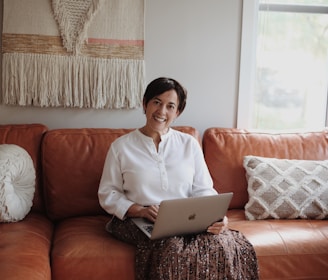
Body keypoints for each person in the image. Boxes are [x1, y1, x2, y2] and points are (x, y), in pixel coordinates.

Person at [98, 77, 258, 279]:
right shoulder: (121, 147)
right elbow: (108, 193)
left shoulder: (188, 144)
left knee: (221, 244)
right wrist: (140, 210)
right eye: (156, 102)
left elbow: (204, 189)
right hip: (137, 219)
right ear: (144, 103)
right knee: (172, 247)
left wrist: (216, 217)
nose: (161, 111)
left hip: (185, 219)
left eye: (170, 106)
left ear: (177, 112)